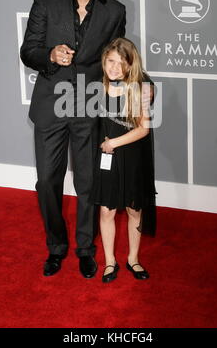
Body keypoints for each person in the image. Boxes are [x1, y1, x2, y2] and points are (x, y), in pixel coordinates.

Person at [20, 0, 126, 278]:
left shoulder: (114, 11)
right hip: (51, 105)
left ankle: (84, 247)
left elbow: (118, 61)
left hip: (88, 106)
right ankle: (56, 246)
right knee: (47, 182)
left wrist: (140, 85)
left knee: (87, 182)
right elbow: (28, 50)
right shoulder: (45, 1)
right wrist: (49, 56)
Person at [90, 38, 156, 283]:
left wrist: (113, 143)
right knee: (106, 211)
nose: (114, 68)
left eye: (121, 63)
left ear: (130, 65)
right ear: (104, 61)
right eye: (110, 61)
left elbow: (143, 129)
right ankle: (109, 262)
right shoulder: (97, 88)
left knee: (133, 210)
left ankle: (133, 259)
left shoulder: (138, 89)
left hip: (131, 158)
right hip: (106, 159)